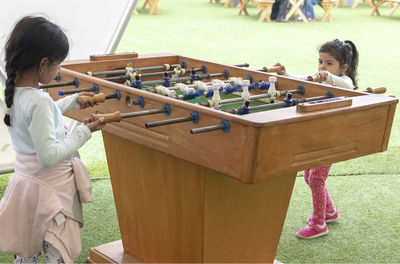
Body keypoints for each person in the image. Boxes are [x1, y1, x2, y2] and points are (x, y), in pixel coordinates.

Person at [0, 16, 105, 263]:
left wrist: (74, 100)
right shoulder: (39, 100)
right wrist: (84, 131)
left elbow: (39, 121)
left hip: (27, 187)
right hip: (51, 192)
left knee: (28, 251)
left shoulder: (14, 93)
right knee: (56, 250)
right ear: (43, 63)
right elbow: (49, 156)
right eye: (58, 64)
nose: (58, 71)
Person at [274, 39, 359, 239]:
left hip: (333, 138)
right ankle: (330, 212)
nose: (322, 67)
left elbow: (341, 83)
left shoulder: (346, 82)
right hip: (318, 135)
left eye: (329, 63)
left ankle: (319, 224)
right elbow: (302, 80)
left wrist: (327, 76)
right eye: (321, 61)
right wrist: (286, 74)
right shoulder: (322, 77)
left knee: (316, 178)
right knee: (308, 176)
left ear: (343, 67)